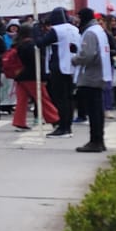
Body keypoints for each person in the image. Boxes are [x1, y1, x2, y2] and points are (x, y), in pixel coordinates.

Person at [73, 7, 111, 153]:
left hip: (91, 75)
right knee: (97, 110)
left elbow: (87, 55)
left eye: (78, 18)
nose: (76, 21)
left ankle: (95, 141)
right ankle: (99, 140)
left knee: (94, 110)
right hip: (100, 73)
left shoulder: (89, 33)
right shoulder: (98, 30)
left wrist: (75, 60)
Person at [36, 7, 78, 137]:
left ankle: (62, 127)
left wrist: (36, 29)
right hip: (72, 66)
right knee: (69, 98)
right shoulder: (74, 29)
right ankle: (67, 126)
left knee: (60, 99)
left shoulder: (57, 30)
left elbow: (40, 43)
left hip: (58, 67)